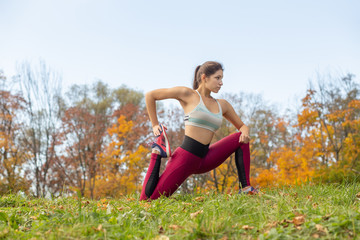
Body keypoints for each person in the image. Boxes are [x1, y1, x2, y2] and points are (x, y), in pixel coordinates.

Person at [140, 61, 257, 201]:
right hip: (185, 158)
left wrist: (245, 133)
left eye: (222, 79)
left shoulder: (222, 105)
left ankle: (245, 188)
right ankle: (157, 152)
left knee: (239, 139)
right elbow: (150, 96)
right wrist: (155, 125)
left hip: (206, 158)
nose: (221, 83)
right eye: (217, 78)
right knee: (148, 200)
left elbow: (243, 127)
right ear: (204, 77)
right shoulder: (188, 94)